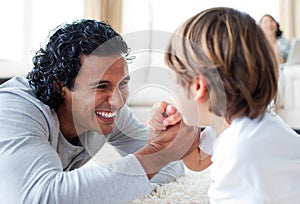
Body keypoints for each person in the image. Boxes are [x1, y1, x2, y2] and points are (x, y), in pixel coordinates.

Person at [0, 19, 199, 204]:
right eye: (101, 86)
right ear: (59, 85)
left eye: (122, 84)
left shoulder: (109, 109)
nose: (118, 101)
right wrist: (155, 154)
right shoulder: (13, 110)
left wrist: (162, 144)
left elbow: (172, 169)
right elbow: (40, 197)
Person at [148, 7, 300, 203]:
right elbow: (197, 161)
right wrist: (181, 129)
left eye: (173, 82)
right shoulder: (239, 124)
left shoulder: (237, 155)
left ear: (197, 87)